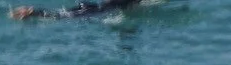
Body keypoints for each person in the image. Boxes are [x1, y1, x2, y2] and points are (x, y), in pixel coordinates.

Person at [12, 0, 144, 16]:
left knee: (62, 13)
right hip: (95, 10)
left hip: (93, 6)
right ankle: (33, 12)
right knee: (62, 16)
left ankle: (33, 12)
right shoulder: (125, 3)